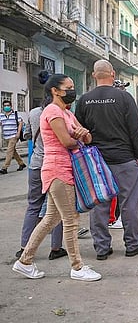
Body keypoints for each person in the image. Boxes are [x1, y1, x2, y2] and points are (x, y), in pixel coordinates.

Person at [12, 74, 101, 281]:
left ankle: (24, 261)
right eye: (68, 87)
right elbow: (67, 141)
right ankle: (77, 267)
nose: (72, 90)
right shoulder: (52, 110)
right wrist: (80, 136)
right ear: (55, 90)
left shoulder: (66, 112)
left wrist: (83, 134)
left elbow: (87, 136)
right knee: (71, 220)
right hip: (57, 169)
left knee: (51, 218)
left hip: (63, 169)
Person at [75, 59, 138, 260]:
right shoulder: (124, 98)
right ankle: (132, 245)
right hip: (124, 159)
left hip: (96, 160)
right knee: (129, 204)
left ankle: (102, 248)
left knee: (99, 203)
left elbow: (80, 130)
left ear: (93, 75)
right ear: (113, 74)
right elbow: (135, 130)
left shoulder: (84, 100)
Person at [15, 90, 66, 261]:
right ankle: (56, 248)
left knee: (33, 206)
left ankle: (24, 246)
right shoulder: (61, 114)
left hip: (36, 164)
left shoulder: (34, 113)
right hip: (54, 165)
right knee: (58, 207)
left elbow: (28, 135)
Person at [0, 100, 26, 174]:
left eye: (8, 105)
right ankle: (21, 163)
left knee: (9, 151)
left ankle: (5, 168)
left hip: (14, 136)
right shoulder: (1, 115)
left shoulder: (16, 114)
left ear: (11, 106)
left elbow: (20, 123)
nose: (6, 107)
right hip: (6, 136)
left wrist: (18, 133)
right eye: (5, 106)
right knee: (13, 151)